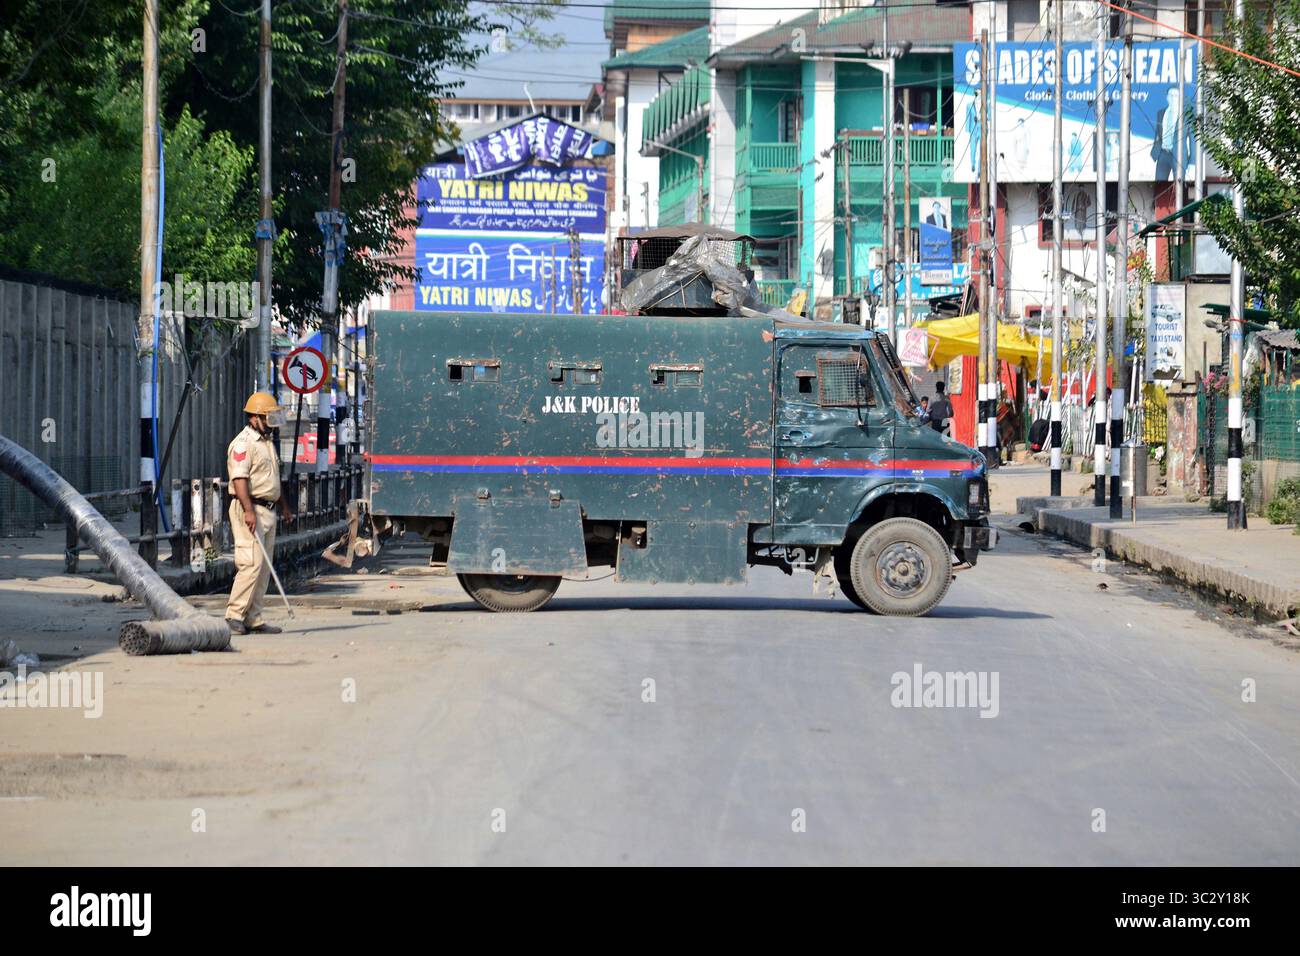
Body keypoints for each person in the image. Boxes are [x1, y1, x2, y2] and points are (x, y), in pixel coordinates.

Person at [224, 391, 294, 635]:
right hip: (250, 507)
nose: (272, 424)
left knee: (264, 566)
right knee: (250, 563)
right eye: (268, 418)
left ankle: (253, 617)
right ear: (254, 418)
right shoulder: (243, 444)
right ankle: (234, 615)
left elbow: (273, 479)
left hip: (268, 509)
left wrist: (284, 506)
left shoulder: (266, 443)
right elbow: (239, 478)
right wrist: (248, 510)